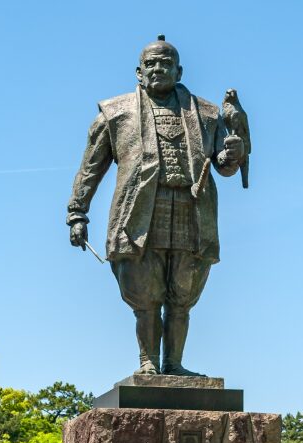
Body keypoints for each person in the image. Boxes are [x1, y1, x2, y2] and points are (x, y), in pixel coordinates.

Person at [67, 35, 244, 376]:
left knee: (182, 294)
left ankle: (173, 364)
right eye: (151, 64)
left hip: (192, 211)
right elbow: (91, 167)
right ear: (139, 72)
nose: (158, 68)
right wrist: (78, 211)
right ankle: (147, 362)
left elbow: (222, 165)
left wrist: (230, 155)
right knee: (145, 295)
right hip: (139, 212)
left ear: (179, 71)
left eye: (165, 63)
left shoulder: (207, 113)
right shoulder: (116, 113)